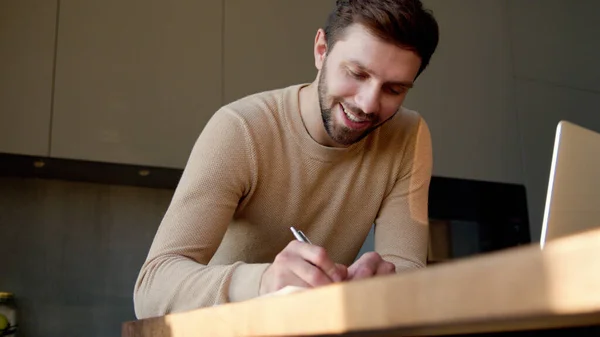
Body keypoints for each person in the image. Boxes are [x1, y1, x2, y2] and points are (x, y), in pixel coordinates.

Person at [133, 0, 439, 319]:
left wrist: (385, 283)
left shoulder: (408, 135)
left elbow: (408, 274)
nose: (368, 104)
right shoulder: (241, 128)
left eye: (393, 89)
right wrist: (263, 282)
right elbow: (150, 290)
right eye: (356, 73)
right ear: (321, 50)